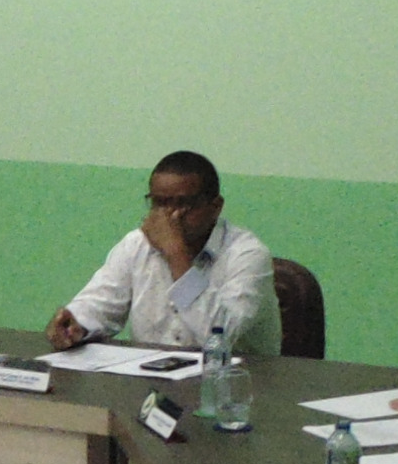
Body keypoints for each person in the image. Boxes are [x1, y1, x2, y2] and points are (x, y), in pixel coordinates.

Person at [45, 150, 273, 353]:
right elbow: (99, 304)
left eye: (183, 204)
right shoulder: (136, 245)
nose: (171, 216)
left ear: (215, 207)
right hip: (152, 379)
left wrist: (176, 254)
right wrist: (75, 325)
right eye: (160, 203)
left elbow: (219, 338)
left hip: (234, 381)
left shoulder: (248, 255)